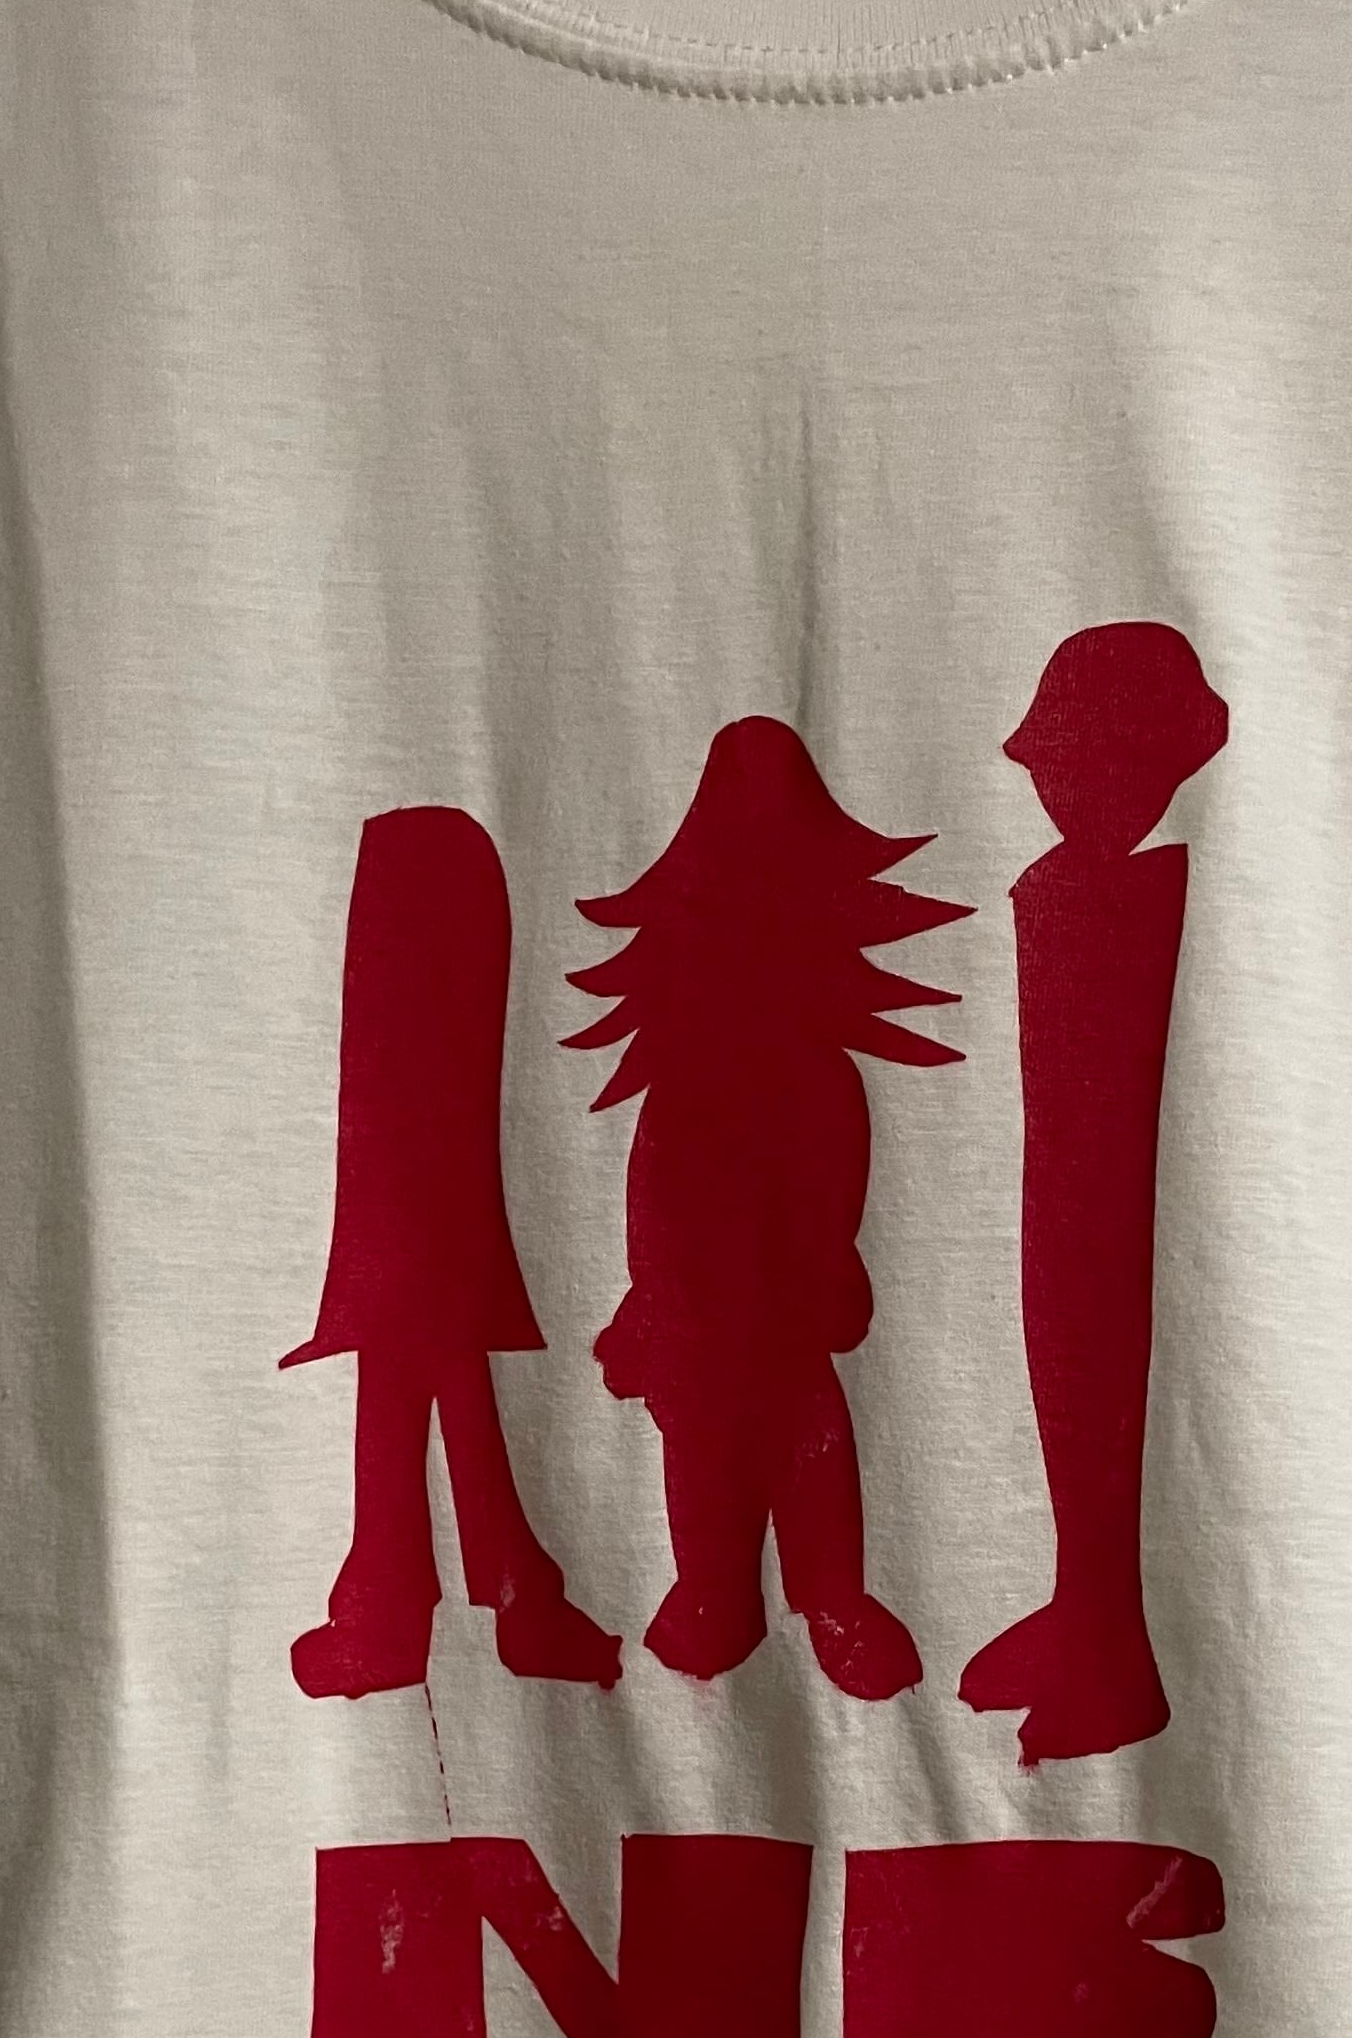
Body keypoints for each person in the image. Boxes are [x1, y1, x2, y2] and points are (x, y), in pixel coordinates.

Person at [568, 716, 965, 1700]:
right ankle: (721, 1592)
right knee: (712, 1461)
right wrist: (652, 1312)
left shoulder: (820, 1084)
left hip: (783, 1340)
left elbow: (829, 1205)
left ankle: (826, 1599)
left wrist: (822, 1276)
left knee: (802, 1452)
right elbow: (653, 1216)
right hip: (704, 1341)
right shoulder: (689, 1097)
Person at [961, 620, 1230, 1762]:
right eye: (1052, 766)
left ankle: (1114, 1643)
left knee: (1104, 1369)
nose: (1059, 789)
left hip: (1122, 1195)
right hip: (1067, 1183)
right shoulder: (1067, 888)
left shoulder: (1153, 894)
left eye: (1081, 763)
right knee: (1064, 1360)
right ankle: (1085, 1604)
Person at [283, 802, 619, 1697]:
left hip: (420, 1223)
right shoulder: (447, 879)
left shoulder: (438, 884)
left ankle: (413, 1600)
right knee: (424, 1320)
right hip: (421, 1228)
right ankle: (474, 1593)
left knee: (416, 1315)